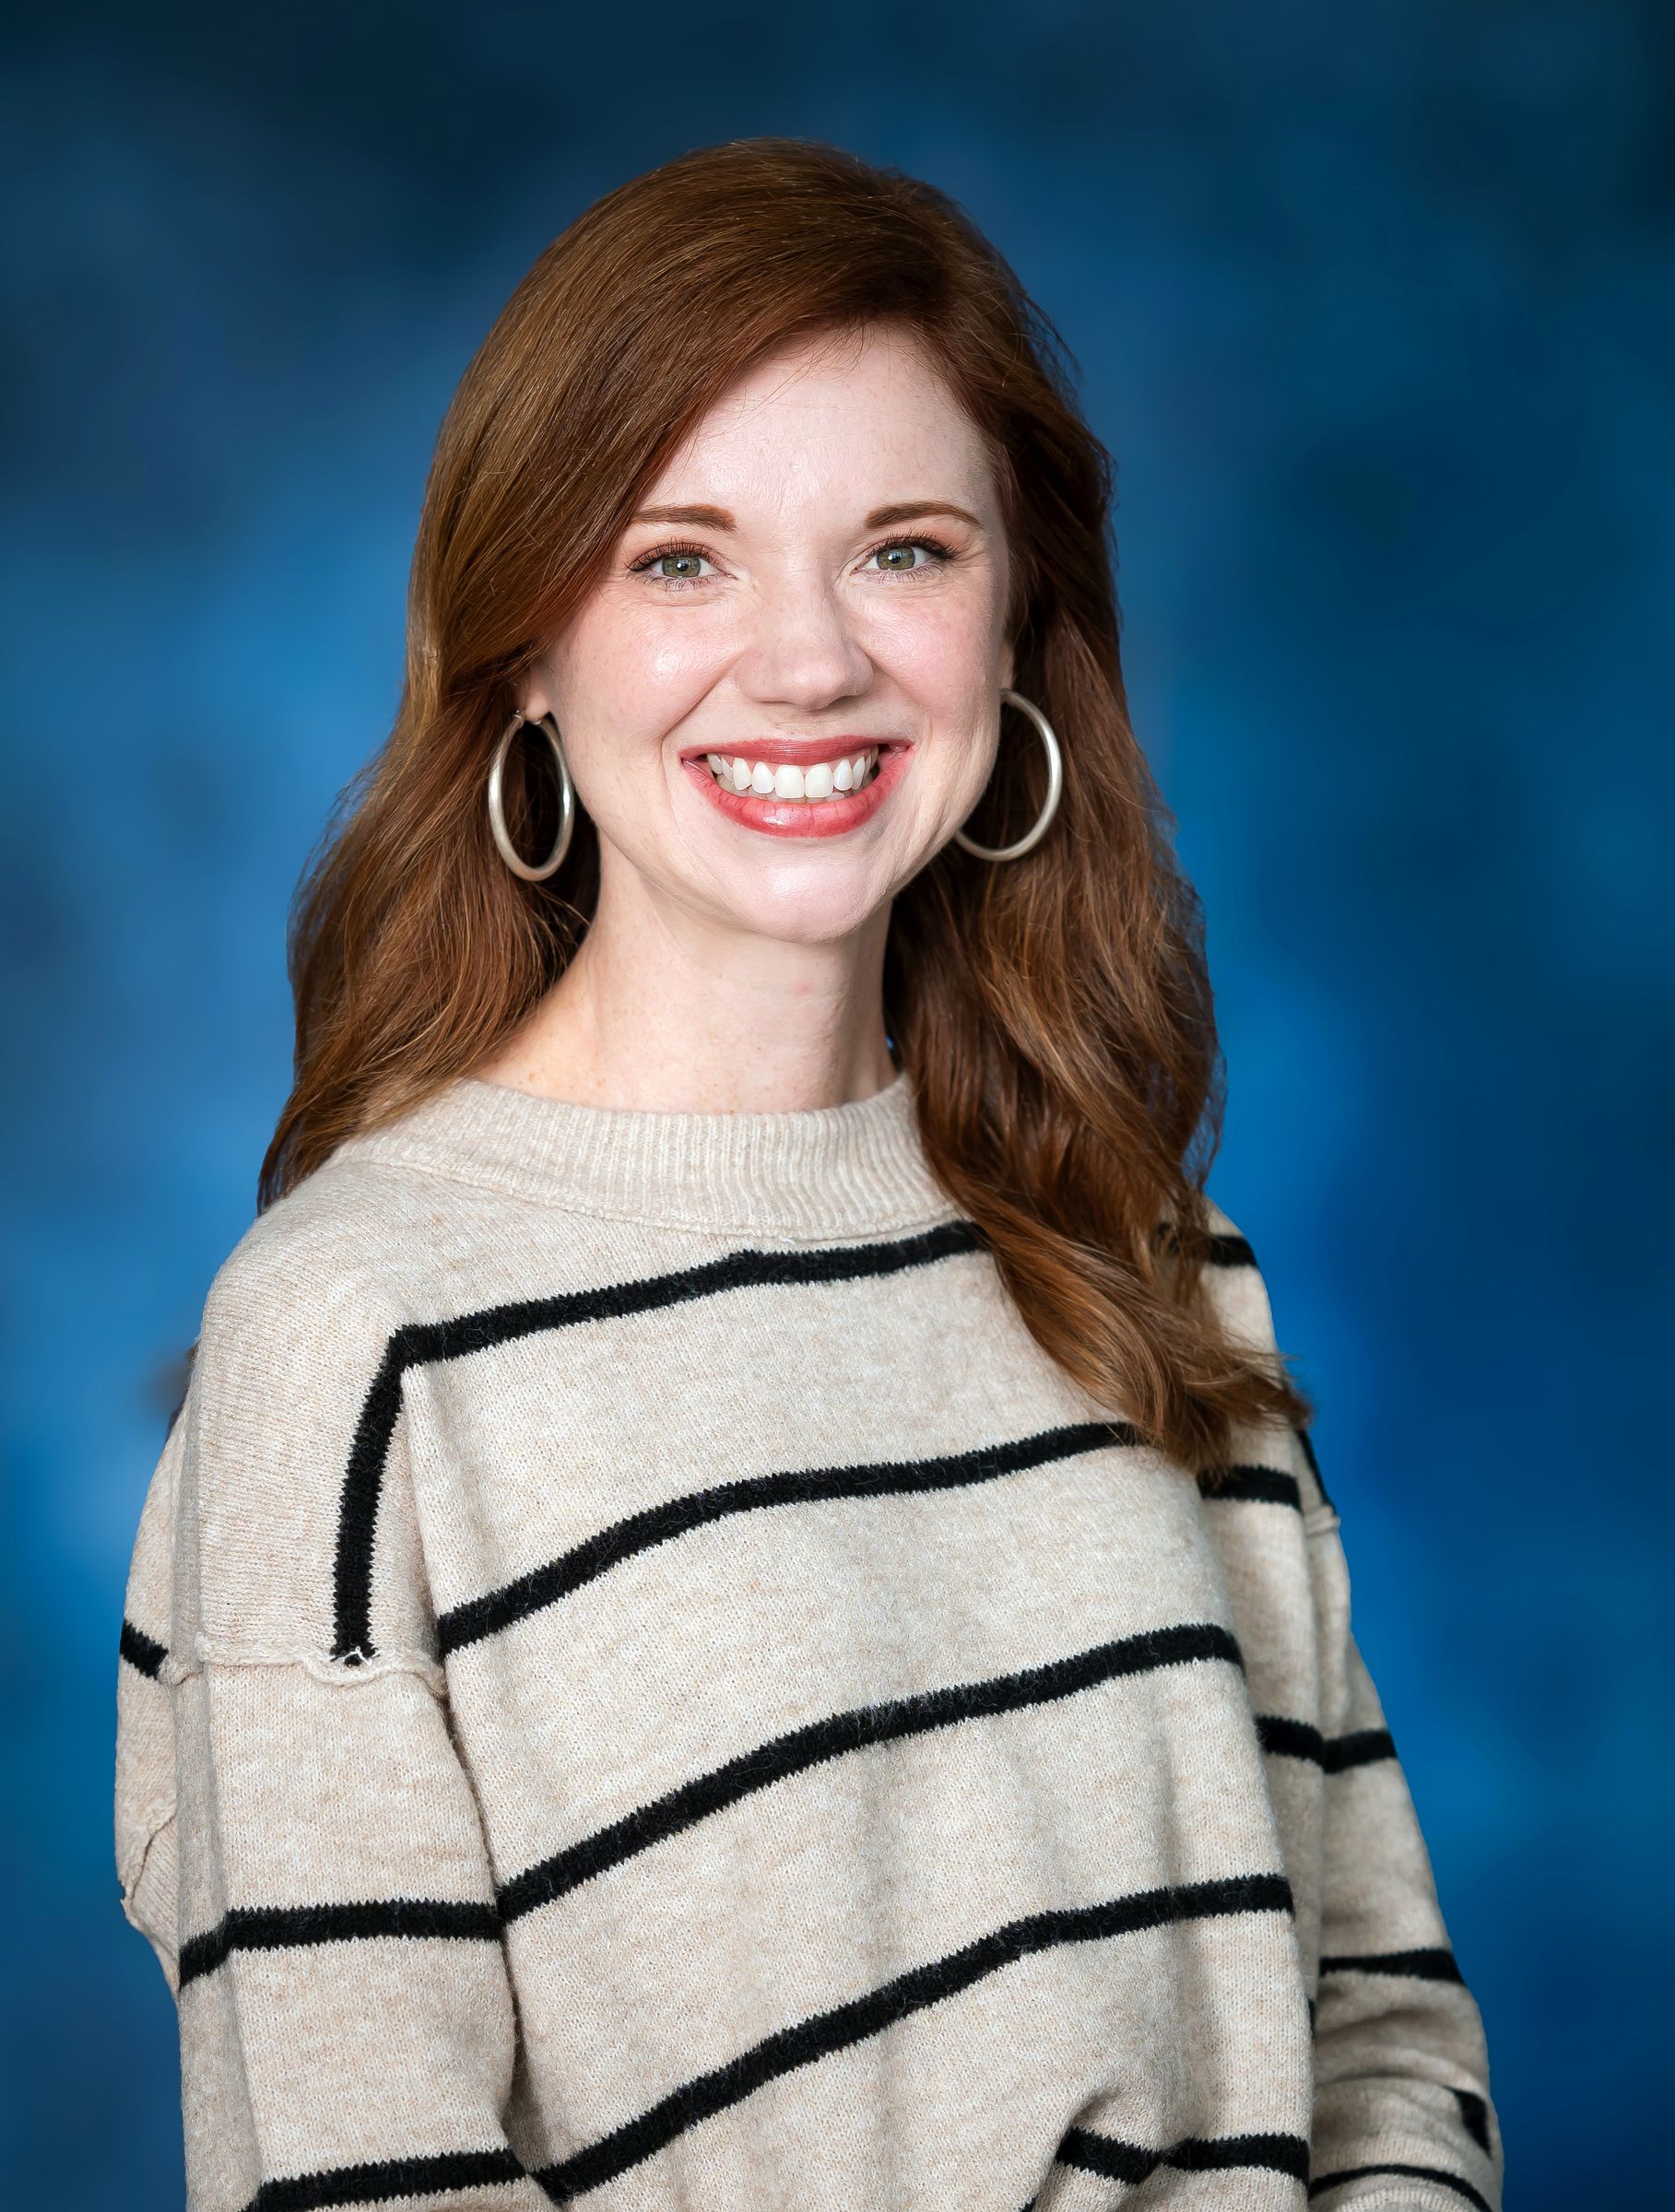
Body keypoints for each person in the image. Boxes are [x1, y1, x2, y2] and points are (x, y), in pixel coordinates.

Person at [113, 136, 1502, 2212]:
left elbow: (1382, 2040)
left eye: (904, 550)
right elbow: (352, 2179)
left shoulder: (1152, 1261)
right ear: (526, 650)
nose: (809, 664)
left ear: (1019, 624)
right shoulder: (354, 1345)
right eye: (681, 558)